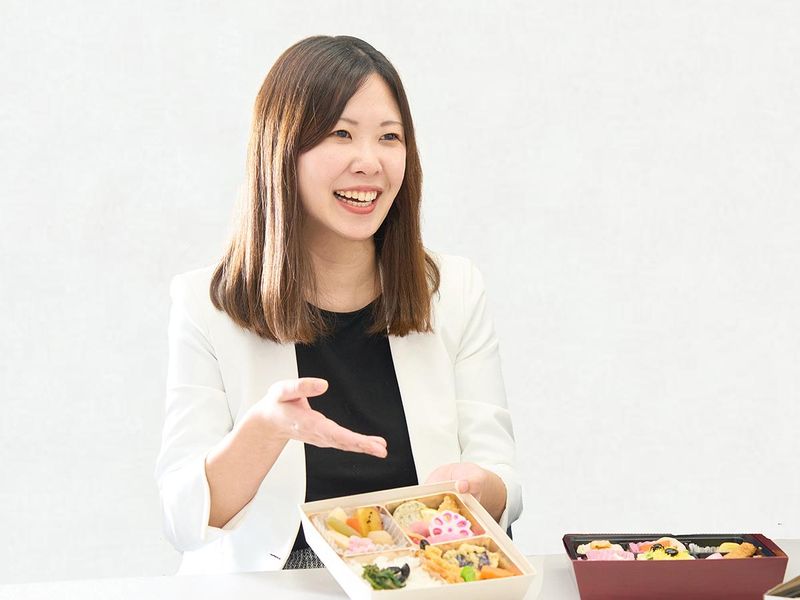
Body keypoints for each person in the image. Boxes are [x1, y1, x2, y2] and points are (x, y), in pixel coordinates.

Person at [155, 35, 522, 574]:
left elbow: (503, 483)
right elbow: (184, 520)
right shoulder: (207, 303)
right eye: (340, 134)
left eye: (389, 137)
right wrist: (264, 432)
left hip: (422, 576)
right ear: (282, 150)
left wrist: (475, 486)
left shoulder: (454, 289)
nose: (369, 162)